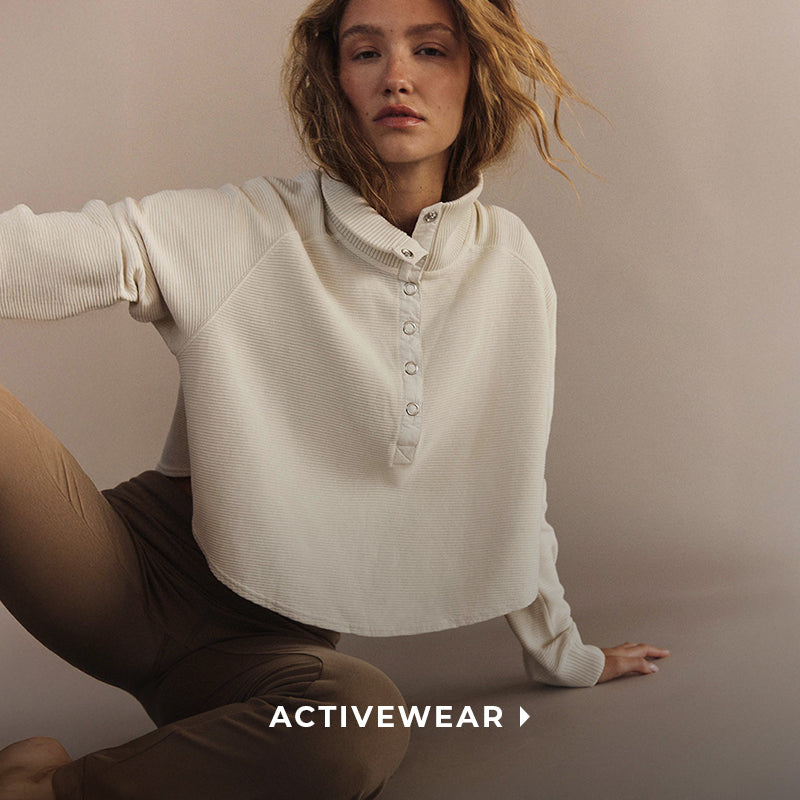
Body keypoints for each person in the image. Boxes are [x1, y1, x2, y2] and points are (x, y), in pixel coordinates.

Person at [0, 0, 669, 797]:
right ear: (334, 78)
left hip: (262, 648)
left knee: (363, 724)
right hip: (117, 575)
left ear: (476, 71)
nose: (396, 77)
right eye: (365, 53)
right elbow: (64, 249)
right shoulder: (251, 227)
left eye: (429, 50)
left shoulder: (513, 268)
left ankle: (47, 787)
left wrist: (566, 653)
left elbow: (513, 479)